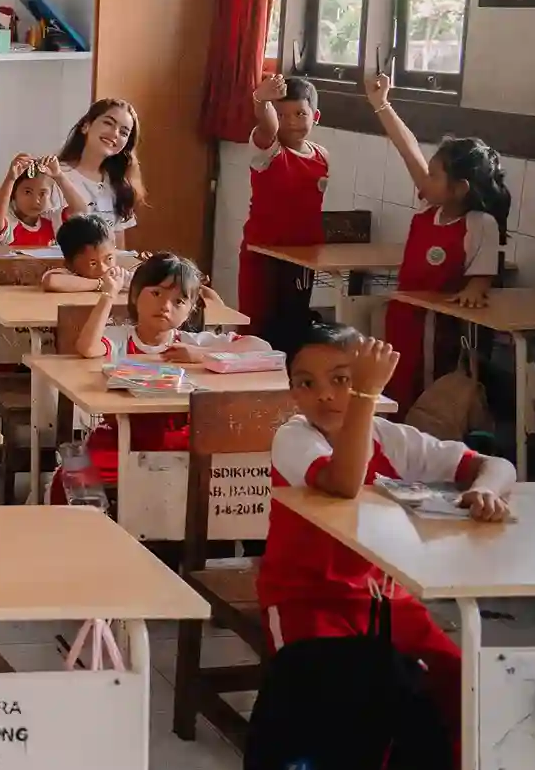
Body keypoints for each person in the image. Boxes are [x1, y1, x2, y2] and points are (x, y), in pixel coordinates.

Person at [261, 327, 529, 770]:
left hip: (387, 598)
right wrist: (366, 397)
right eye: (308, 383)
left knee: (468, 685)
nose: (327, 395)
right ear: (292, 392)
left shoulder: (395, 437)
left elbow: (494, 462)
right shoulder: (293, 438)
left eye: (343, 379)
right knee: (378, 711)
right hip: (310, 605)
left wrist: (485, 488)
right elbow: (344, 483)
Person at [61, 252, 267, 501]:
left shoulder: (191, 342)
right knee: (75, 477)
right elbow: (88, 348)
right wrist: (109, 295)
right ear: (135, 295)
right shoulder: (121, 339)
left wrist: (201, 354)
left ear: (190, 310)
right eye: (156, 294)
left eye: (179, 301)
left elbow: (259, 347)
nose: (166, 306)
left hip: (181, 442)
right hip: (122, 438)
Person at [365, 72, 511, 410]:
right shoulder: (429, 205)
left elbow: (482, 276)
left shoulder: (479, 224)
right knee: (392, 392)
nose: (424, 179)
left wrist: (475, 289)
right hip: (403, 317)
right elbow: (408, 149)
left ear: (460, 189)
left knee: (426, 400)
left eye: (433, 175)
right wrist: (381, 104)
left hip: (437, 329)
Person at [236, 74, 329, 339]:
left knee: (294, 325)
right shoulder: (268, 151)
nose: (290, 122)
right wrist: (260, 100)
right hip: (262, 254)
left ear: (316, 116)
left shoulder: (322, 156)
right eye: (281, 114)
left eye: (300, 113)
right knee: (258, 329)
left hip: (301, 258)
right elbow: (266, 127)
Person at [55, 98, 143, 234]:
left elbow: (118, 248)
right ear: (86, 126)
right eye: (108, 123)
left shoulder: (119, 186)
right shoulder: (54, 174)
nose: (115, 133)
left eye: (124, 132)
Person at [0, 153, 70, 246]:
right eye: (27, 192)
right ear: (13, 193)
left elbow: (80, 211)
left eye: (43, 193)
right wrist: (10, 179)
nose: (36, 200)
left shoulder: (52, 221)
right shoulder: (10, 224)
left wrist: (59, 176)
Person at [41, 214, 124, 292]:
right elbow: (50, 281)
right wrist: (101, 284)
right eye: (93, 263)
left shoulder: (117, 274)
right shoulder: (71, 274)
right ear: (70, 265)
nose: (103, 269)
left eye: (109, 259)